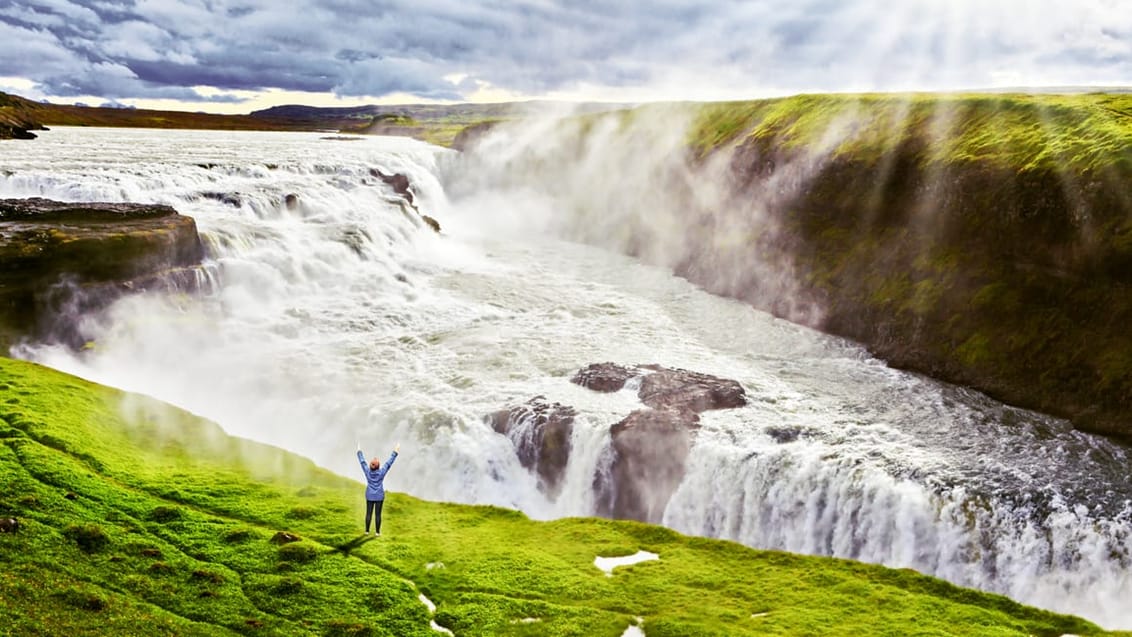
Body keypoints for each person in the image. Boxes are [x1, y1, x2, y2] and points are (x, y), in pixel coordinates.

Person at [357, 442, 399, 536]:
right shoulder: (381, 472)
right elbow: (389, 463)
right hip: (379, 496)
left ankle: (367, 531)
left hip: (369, 495)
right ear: (378, 466)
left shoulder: (367, 471)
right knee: (378, 515)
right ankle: (377, 532)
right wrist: (395, 451)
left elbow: (362, 462)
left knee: (368, 513)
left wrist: (359, 451)